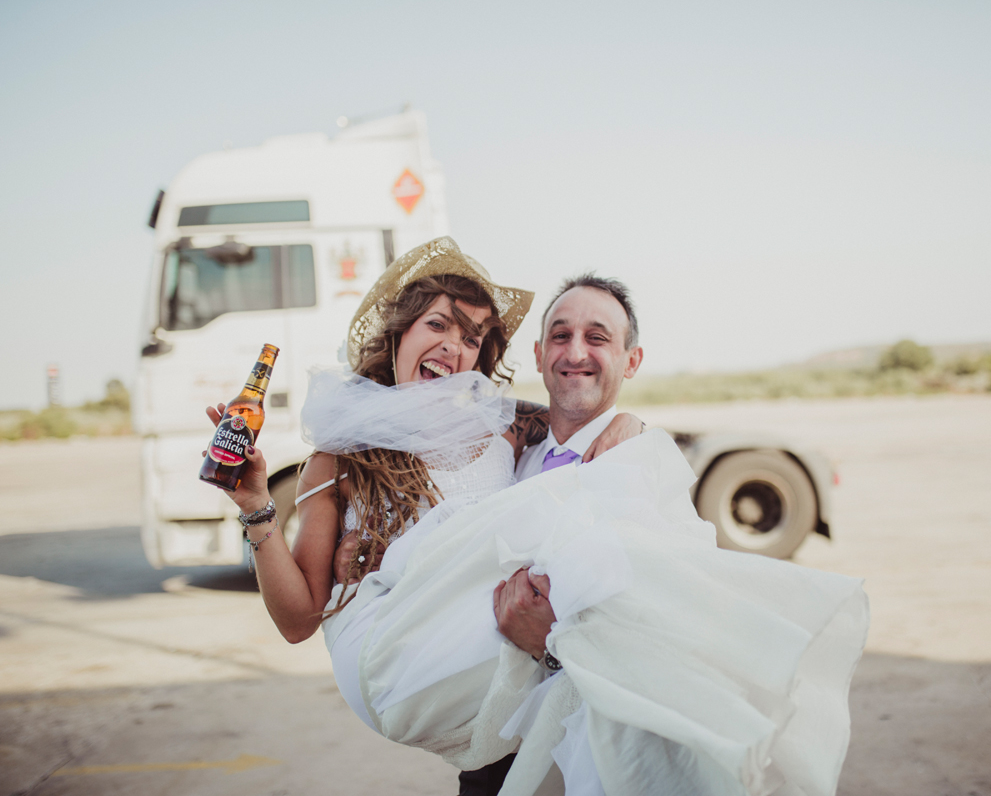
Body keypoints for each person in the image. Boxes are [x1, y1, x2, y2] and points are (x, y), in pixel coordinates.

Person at [325, 271, 870, 796]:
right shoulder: (513, 461)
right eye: (560, 336)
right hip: (495, 761)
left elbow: (673, 648)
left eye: (598, 338)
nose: (576, 352)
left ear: (631, 361)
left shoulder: (641, 471)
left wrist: (554, 647)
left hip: (588, 766)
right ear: (539, 356)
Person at [202, 237, 644, 723]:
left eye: (472, 339)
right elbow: (297, 621)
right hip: (427, 682)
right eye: (437, 324)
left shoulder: (505, 429)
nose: (453, 347)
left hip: (521, 684)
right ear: (398, 333)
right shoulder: (339, 459)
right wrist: (255, 505)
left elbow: (580, 412)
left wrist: (631, 424)